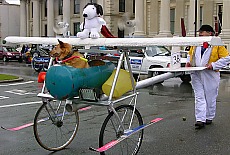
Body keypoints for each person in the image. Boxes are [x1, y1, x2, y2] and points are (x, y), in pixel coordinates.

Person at [186, 24, 230, 129]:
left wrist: (213, 65)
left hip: (210, 74)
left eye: (202, 32)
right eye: (200, 32)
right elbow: (190, 55)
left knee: (210, 96)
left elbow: (227, 58)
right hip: (196, 73)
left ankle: (209, 116)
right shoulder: (196, 43)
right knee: (199, 96)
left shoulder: (217, 44)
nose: (200, 34)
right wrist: (188, 63)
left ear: (210, 33)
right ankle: (200, 119)